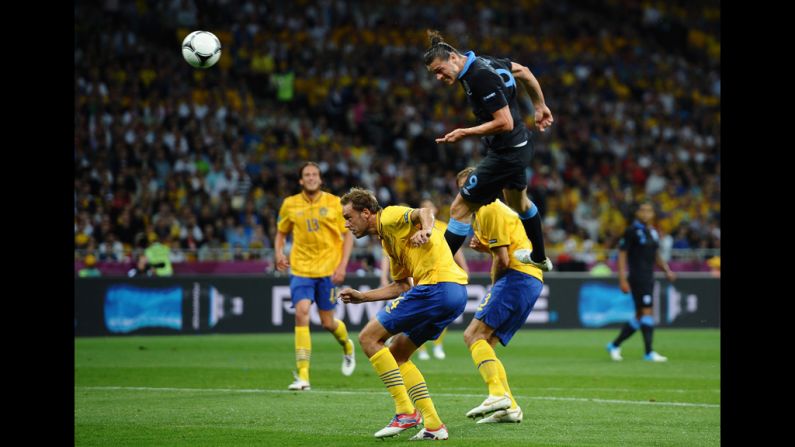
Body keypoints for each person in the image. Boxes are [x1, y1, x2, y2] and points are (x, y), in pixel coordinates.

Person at [338, 187, 468, 440]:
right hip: (454, 294)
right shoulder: (388, 240)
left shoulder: (389, 216)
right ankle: (433, 425)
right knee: (397, 353)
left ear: (366, 213)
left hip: (436, 288)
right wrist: (363, 297)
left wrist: (427, 229)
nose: (347, 225)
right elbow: (402, 286)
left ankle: (405, 412)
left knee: (367, 338)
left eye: (348, 217)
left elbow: (425, 211)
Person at [422, 29, 553, 272]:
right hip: (519, 145)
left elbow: (505, 122)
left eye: (439, 71)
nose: (438, 78)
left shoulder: (478, 76)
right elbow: (524, 71)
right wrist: (540, 105)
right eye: (434, 74)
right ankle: (539, 257)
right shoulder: (484, 61)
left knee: (459, 208)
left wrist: (464, 132)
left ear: (453, 58)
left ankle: (433, 274)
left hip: (507, 152)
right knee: (519, 203)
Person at [456, 167, 543, 424]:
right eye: (463, 188)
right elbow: (504, 250)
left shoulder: (489, 209)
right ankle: (511, 407)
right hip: (529, 278)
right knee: (487, 344)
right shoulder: (489, 210)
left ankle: (497, 394)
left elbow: (503, 260)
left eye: (470, 185)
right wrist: (486, 248)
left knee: (472, 335)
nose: (466, 192)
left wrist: (495, 287)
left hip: (517, 277)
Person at [275, 162, 355, 390]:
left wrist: (342, 265)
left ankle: (347, 346)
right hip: (300, 269)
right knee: (301, 313)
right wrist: (279, 252)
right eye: (306, 175)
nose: (311, 178)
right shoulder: (290, 204)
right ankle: (303, 376)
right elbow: (281, 233)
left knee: (328, 323)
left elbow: (347, 236)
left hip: (328, 270)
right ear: (301, 180)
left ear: (320, 179)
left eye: (315, 174)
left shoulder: (334, 203)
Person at [380, 198, 469, 361]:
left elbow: (454, 250)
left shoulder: (441, 227)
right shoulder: (409, 228)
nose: (428, 208)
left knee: (371, 337)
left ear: (435, 209)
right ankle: (417, 348)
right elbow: (390, 256)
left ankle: (436, 345)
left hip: (439, 277)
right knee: (417, 317)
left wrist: (464, 267)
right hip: (419, 276)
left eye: (430, 206)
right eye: (424, 206)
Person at [606, 200, 676, 362]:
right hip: (637, 278)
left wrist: (667, 271)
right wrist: (622, 279)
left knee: (639, 316)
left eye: (649, 211)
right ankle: (649, 352)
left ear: (653, 214)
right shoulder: (631, 231)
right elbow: (622, 255)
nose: (645, 214)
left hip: (648, 277)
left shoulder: (652, 232)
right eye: (642, 210)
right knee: (647, 312)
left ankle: (614, 344)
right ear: (637, 213)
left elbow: (656, 255)